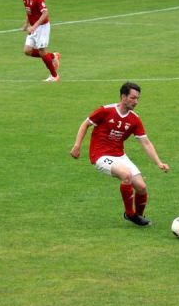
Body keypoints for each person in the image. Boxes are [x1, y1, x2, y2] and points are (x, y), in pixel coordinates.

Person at [70, 82, 170, 225]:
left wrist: (159, 162)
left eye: (137, 99)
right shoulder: (105, 110)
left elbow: (146, 142)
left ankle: (138, 216)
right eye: (133, 98)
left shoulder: (134, 119)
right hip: (100, 155)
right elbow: (85, 124)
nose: (136, 102)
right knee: (126, 175)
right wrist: (77, 146)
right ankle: (129, 214)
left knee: (141, 187)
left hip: (119, 155)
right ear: (123, 97)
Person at [21, 0, 61, 82]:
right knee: (27, 51)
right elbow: (28, 11)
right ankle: (53, 56)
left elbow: (45, 13)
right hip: (33, 27)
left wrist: (34, 26)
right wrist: (26, 24)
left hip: (42, 27)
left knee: (42, 51)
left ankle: (54, 76)